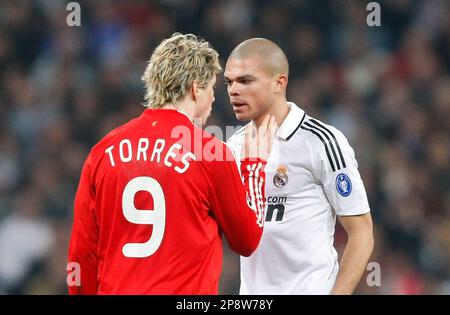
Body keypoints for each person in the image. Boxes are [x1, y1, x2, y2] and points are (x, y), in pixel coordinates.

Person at [67, 33, 276, 294]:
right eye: (212, 87)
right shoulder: (210, 153)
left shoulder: (103, 152)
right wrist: (254, 167)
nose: (213, 99)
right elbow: (246, 240)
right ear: (195, 88)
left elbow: (81, 254)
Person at [225, 38, 374, 295]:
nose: (233, 90)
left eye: (246, 81)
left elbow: (361, 232)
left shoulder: (322, 142)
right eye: (229, 82)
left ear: (279, 83)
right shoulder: (233, 146)